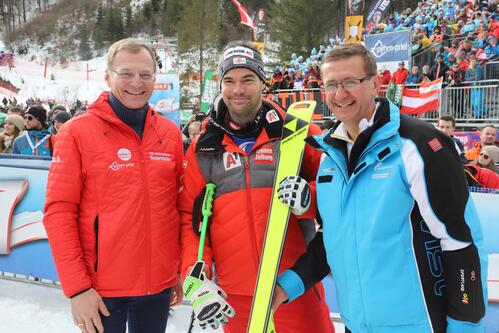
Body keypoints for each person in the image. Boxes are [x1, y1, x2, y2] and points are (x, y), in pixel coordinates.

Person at [273, 44, 487, 333]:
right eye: (331, 84)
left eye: (350, 82)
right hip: (356, 324)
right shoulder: (330, 156)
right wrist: (288, 286)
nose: (340, 94)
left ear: (375, 84)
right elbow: (332, 238)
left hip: (418, 324)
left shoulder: (419, 145)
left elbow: (461, 241)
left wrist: (465, 325)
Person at [179, 41, 334, 333]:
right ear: (220, 85)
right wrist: (197, 277)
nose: (238, 90)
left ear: (262, 82)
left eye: (248, 79)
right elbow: (190, 218)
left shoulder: (296, 131)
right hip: (234, 295)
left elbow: (337, 189)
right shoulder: (204, 147)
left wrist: (308, 198)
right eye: (229, 81)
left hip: (294, 286)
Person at [43, 38, 184, 333]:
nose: (137, 82)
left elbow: (177, 208)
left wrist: (178, 270)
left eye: (145, 75)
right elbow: (59, 213)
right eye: (126, 74)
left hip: (157, 286)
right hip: (101, 290)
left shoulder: (169, 134)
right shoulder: (77, 133)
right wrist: (77, 289)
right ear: (107, 76)